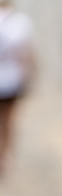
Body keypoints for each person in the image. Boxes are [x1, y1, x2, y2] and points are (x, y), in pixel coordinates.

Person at [0, 0, 33, 175]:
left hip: (10, 79)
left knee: (7, 120)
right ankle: (5, 156)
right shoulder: (21, 22)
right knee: (8, 121)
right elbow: (25, 53)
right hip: (12, 79)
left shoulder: (20, 21)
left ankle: (4, 156)